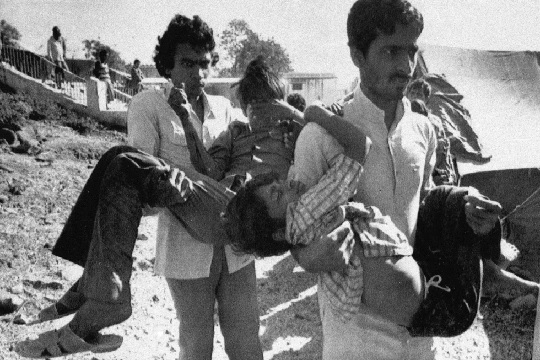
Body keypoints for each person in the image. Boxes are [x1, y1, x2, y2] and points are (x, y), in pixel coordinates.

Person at [285, 1, 503, 358]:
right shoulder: (320, 136)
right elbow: (295, 228)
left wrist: (464, 213)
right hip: (354, 333)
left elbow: (425, 207)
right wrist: (311, 257)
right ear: (357, 55)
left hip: (418, 326)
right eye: (391, 51)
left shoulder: (424, 130)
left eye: (412, 51)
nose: (406, 66)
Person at [223, 140, 503, 337]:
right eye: (277, 194)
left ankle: (495, 260)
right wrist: (316, 114)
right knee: (456, 203)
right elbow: (357, 150)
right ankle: (496, 261)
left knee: (452, 200)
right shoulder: (306, 221)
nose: (290, 185)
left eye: (280, 184)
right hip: (442, 305)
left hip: (426, 276)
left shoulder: (306, 234)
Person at [407, 78, 459, 185]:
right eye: (412, 93)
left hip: (433, 172)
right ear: (407, 96)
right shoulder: (400, 116)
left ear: (426, 99)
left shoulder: (433, 121)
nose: (415, 97)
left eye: (419, 94)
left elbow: (438, 150)